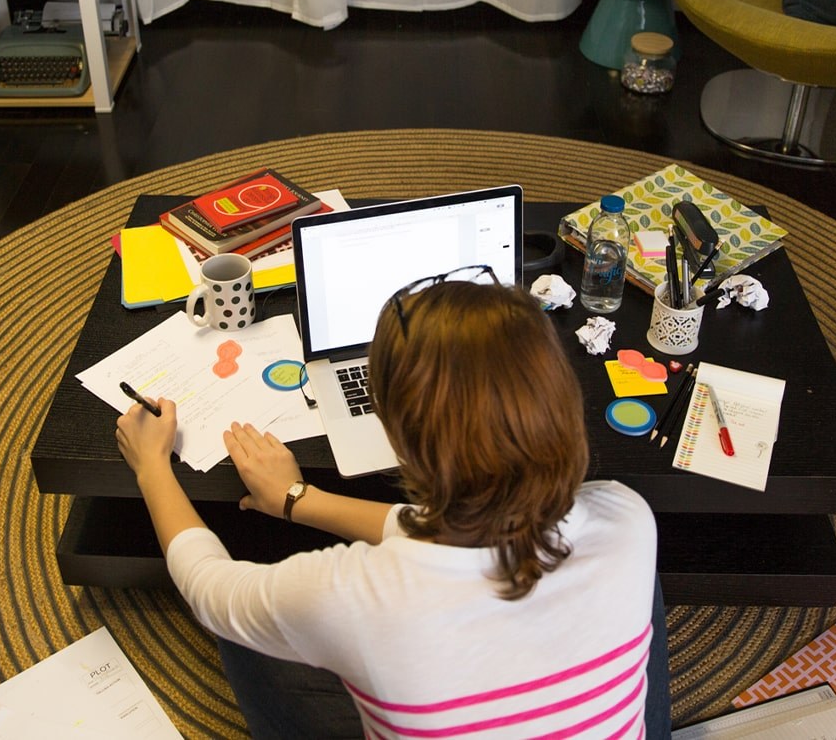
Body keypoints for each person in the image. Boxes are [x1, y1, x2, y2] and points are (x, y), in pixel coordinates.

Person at [116, 273, 670, 738]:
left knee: (245, 636)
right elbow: (456, 532)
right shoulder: (628, 521)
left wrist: (152, 466)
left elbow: (210, 588)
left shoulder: (352, 596)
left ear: (399, 437)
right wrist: (296, 501)